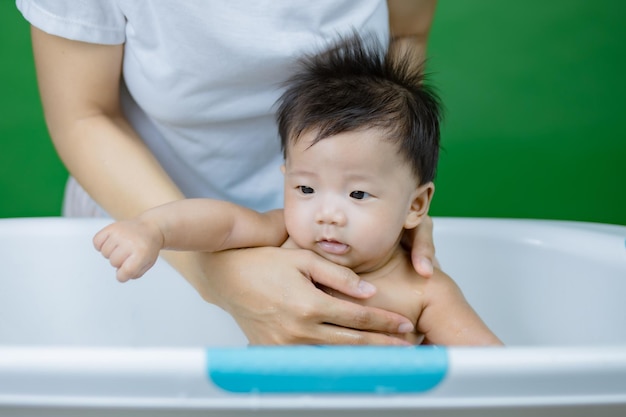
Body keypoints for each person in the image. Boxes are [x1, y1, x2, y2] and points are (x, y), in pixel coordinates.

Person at [18, 0, 442, 345]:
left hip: (351, 249)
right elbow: (84, 115)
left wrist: (389, 190)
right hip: (139, 254)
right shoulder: (271, 226)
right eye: (307, 188)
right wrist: (212, 273)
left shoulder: (417, 284)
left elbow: (407, 34)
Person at [94, 33, 502, 346]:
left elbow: (495, 371)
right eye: (306, 188)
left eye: (357, 195)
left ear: (415, 205)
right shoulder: (286, 235)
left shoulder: (424, 290)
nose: (327, 213)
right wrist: (154, 229)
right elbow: (221, 224)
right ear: (286, 176)